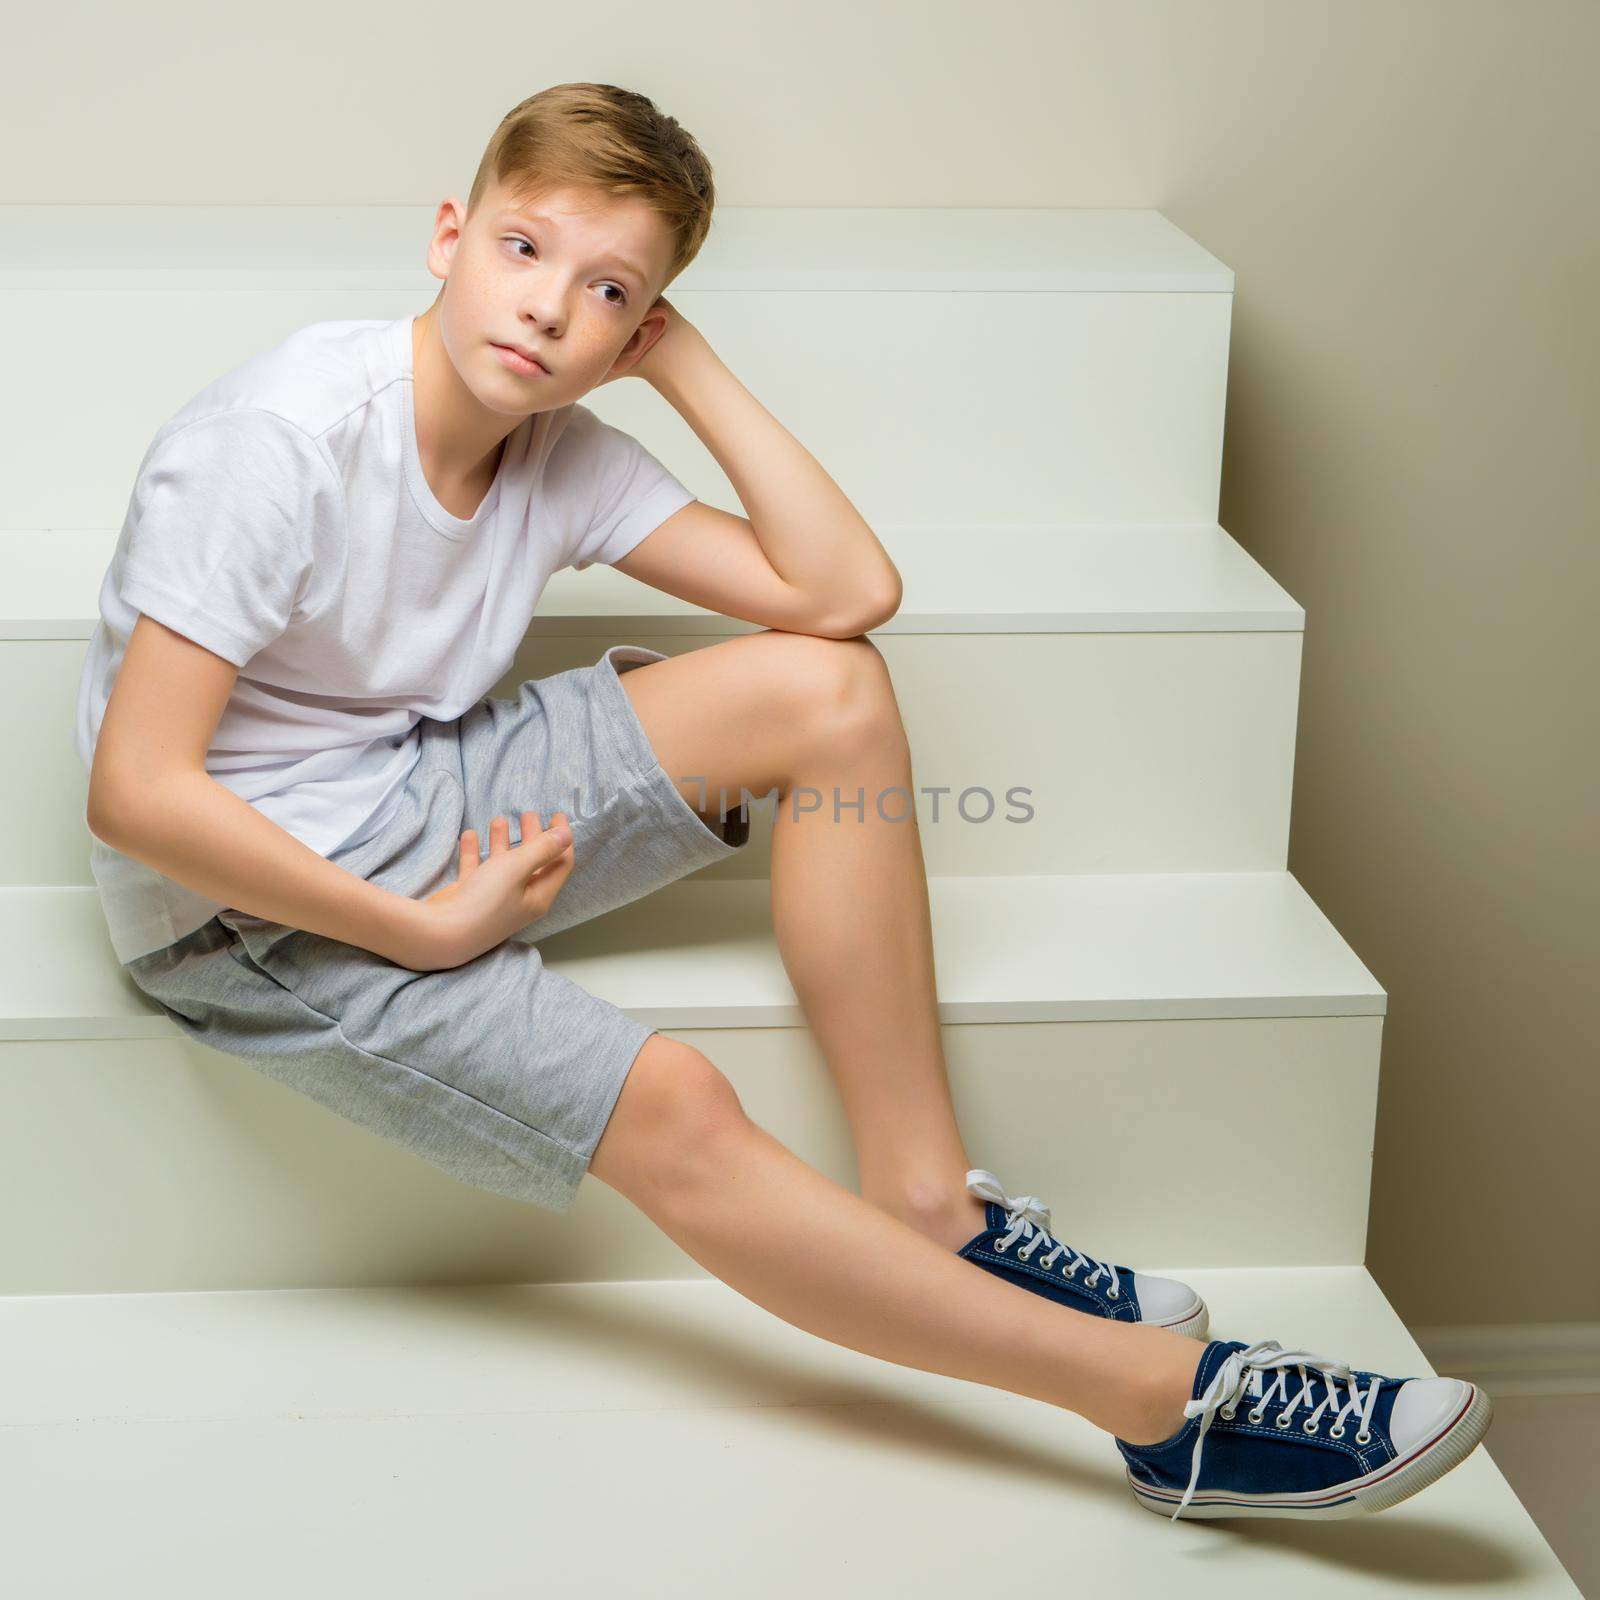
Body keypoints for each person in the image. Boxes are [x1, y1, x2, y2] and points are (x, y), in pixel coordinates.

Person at [75, 81, 1490, 1522]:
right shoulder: (283, 441)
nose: (550, 310)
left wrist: (684, 366)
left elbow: (843, 594)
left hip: (411, 780)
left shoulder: (557, 451)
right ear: (450, 234)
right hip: (241, 909)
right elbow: (136, 795)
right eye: (523, 249)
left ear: (637, 327)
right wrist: (418, 930)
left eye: (607, 290)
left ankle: (932, 1204)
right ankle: (1167, 1408)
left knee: (836, 689)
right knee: (681, 1098)